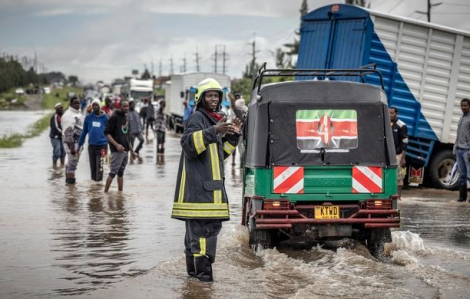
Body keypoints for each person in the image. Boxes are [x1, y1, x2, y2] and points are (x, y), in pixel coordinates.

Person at [171, 78, 242, 282]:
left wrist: (233, 138)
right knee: (202, 240)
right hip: (199, 195)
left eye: (216, 96)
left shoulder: (214, 120)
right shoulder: (197, 118)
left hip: (209, 192)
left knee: (196, 240)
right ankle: (204, 284)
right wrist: (214, 132)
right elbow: (188, 145)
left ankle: (194, 283)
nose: (213, 99)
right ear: (201, 98)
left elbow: (220, 156)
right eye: (209, 95)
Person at [104, 100, 135, 192]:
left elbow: (127, 136)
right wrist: (116, 145)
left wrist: (132, 151)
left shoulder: (126, 118)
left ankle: (120, 194)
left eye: (127, 106)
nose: (126, 108)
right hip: (117, 150)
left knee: (121, 173)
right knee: (113, 173)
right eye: (124, 106)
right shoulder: (114, 117)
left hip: (126, 150)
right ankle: (105, 193)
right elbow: (107, 133)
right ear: (119, 107)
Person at [77, 99, 109, 182]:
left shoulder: (105, 118)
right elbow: (84, 132)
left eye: (96, 105)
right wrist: (79, 145)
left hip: (102, 146)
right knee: (93, 168)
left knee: (100, 168)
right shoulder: (88, 117)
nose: (94, 107)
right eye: (93, 105)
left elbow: (109, 132)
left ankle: (99, 187)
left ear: (100, 106)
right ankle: (94, 191)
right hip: (91, 146)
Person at [62, 96, 84, 184]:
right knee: (72, 165)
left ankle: (68, 183)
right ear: (70, 104)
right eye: (75, 103)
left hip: (77, 143)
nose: (77, 104)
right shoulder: (68, 115)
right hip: (71, 144)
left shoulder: (78, 113)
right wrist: (72, 148)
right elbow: (67, 133)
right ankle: (71, 190)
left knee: (72, 164)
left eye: (78, 103)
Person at [389, 107, 408, 199]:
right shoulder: (386, 124)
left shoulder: (401, 125)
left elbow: (405, 142)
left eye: (392, 113)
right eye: (388, 113)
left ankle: (398, 195)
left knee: (398, 175)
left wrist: (403, 158)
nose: (389, 115)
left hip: (398, 154)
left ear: (396, 114)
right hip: (387, 155)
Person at [454, 98, 470, 202]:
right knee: (462, 174)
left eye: (465, 105)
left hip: (467, 151)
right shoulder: (462, 117)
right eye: (462, 105)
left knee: (469, 174)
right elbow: (458, 134)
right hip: (459, 150)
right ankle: (462, 197)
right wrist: (455, 147)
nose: (463, 107)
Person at [49, 102, 66, 167]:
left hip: (61, 137)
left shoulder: (62, 116)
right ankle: (54, 166)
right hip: (55, 137)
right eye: (60, 108)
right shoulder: (55, 117)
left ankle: (62, 166)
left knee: (63, 153)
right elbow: (55, 127)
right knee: (57, 152)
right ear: (57, 109)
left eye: (62, 108)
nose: (62, 109)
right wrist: (62, 132)